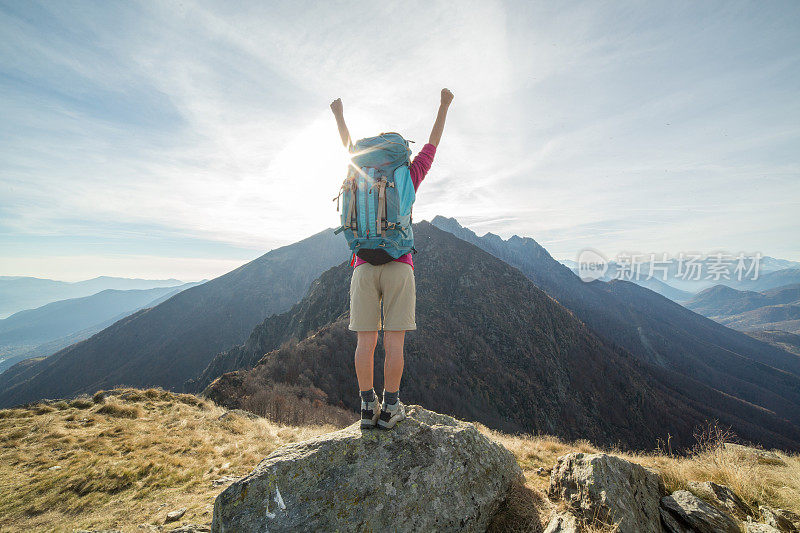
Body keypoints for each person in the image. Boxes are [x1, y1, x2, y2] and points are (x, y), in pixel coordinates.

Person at [330, 88, 454, 429]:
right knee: (394, 342)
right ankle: (391, 409)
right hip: (399, 265)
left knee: (365, 342)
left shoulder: (358, 170)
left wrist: (339, 116)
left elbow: (347, 147)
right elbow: (432, 146)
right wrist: (443, 105)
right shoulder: (409, 175)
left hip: (362, 266)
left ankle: (366, 407)